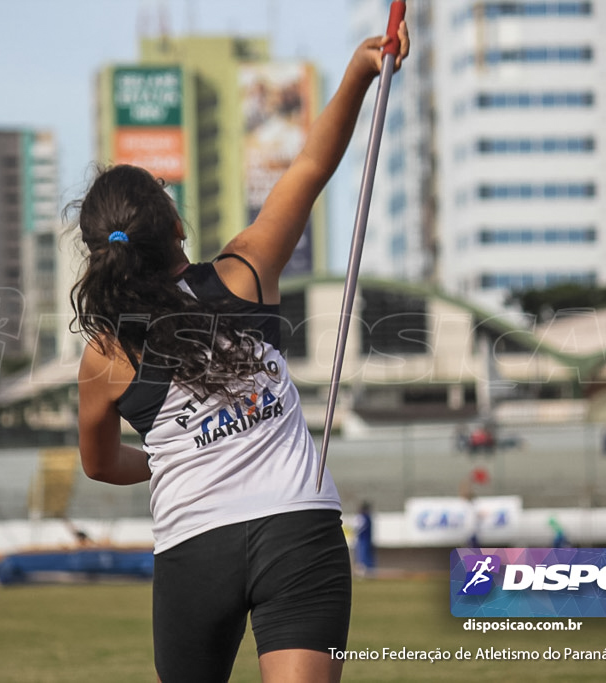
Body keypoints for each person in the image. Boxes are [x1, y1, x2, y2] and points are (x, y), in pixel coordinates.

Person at [70, 21, 409, 682]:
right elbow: (310, 166)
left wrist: (176, 452)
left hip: (195, 551)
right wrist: (360, 72)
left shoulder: (105, 355)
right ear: (176, 227)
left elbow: (102, 463)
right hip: (298, 532)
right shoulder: (244, 271)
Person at [353, 501, 376, 577]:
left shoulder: (362, 517)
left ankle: (364, 570)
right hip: (365, 539)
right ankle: (367, 570)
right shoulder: (367, 517)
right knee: (365, 554)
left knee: (363, 555)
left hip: (363, 539)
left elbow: (357, 528)